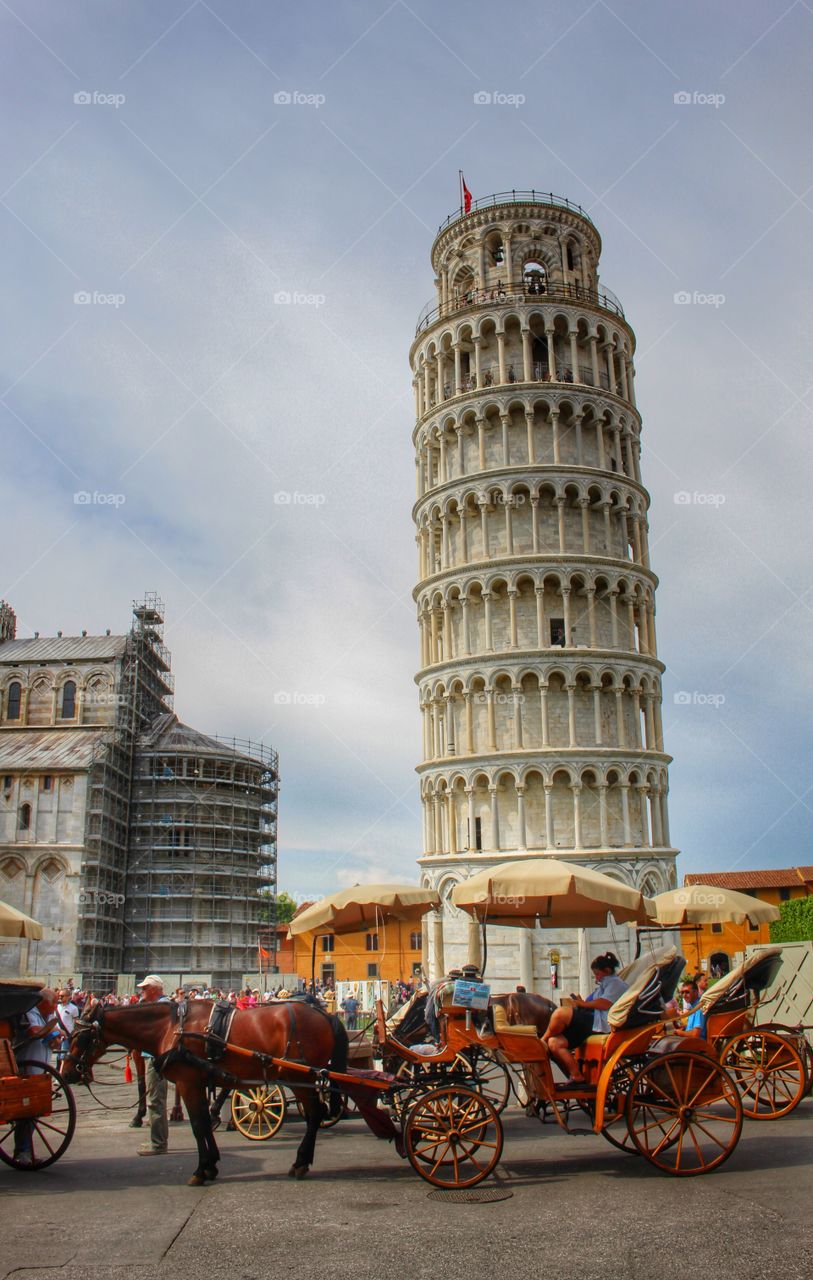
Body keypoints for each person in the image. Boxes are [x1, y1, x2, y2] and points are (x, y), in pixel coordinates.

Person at [541, 953, 628, 1087]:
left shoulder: (615, 983)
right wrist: (582, 1002)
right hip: (590, 1022)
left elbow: (605, 1003)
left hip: (600, 1024)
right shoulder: (604, 984)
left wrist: (583, 1004)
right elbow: (592, 1001)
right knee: (555, 1043)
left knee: (560, 1014)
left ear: (607, 971)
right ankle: (576, 1075)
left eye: (598, 974)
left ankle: (542, 1041)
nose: (597, 978)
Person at [13, 987, 58, 1166]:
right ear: (43, 1002)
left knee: (34, 1112)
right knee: (27, 1112)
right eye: (54, 1002)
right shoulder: (30, 1012)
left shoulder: (47, 1016)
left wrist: (54, 1037)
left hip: (41, 1069)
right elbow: (35, 1031)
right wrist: (54, 1032)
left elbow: (48, 1035)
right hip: (28, 1067)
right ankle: (22, 1151)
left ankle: (26, 1150)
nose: (56, 1006)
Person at [135, 975, 170, 1156]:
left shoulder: (160, 1007)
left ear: (155, 989)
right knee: (157, 1100)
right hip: (156, 1056)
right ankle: (159, 1140)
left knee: (155, 1100)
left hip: (156, 1058)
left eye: (145, 988)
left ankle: (158, 1144)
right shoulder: (161, 1005)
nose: (142, 991)